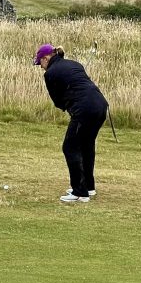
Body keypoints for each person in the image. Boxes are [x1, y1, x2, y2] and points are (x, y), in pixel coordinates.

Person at [35, 44, 109, 203]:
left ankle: (80, 192)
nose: (40, 67)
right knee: (86, 145)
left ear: (46, 58)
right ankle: (88, 187)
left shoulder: (50, 73)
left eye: (40, 63)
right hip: (101, 105)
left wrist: (68, 104)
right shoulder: (75, 64)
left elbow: (58, 101)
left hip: (84, 110)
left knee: (70, 147)